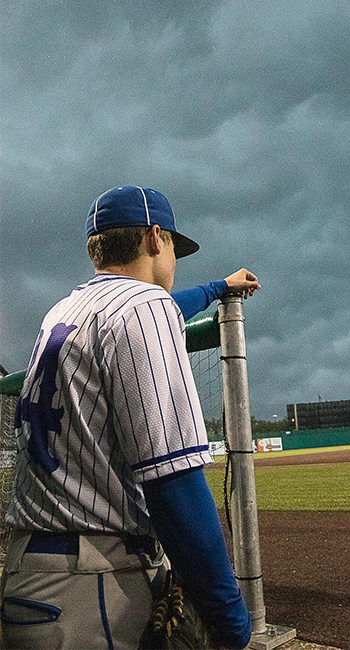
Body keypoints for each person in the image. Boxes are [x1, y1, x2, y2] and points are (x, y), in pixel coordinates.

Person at [0, 185, 260, 650]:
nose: (174, 262)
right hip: (91, 594)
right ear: (156, 238)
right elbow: (174, 483)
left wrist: (220, 287)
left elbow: (165, 308)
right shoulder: (144, 307)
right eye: (175, 248)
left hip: (29, 576)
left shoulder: (64, 310)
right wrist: (232, 621)